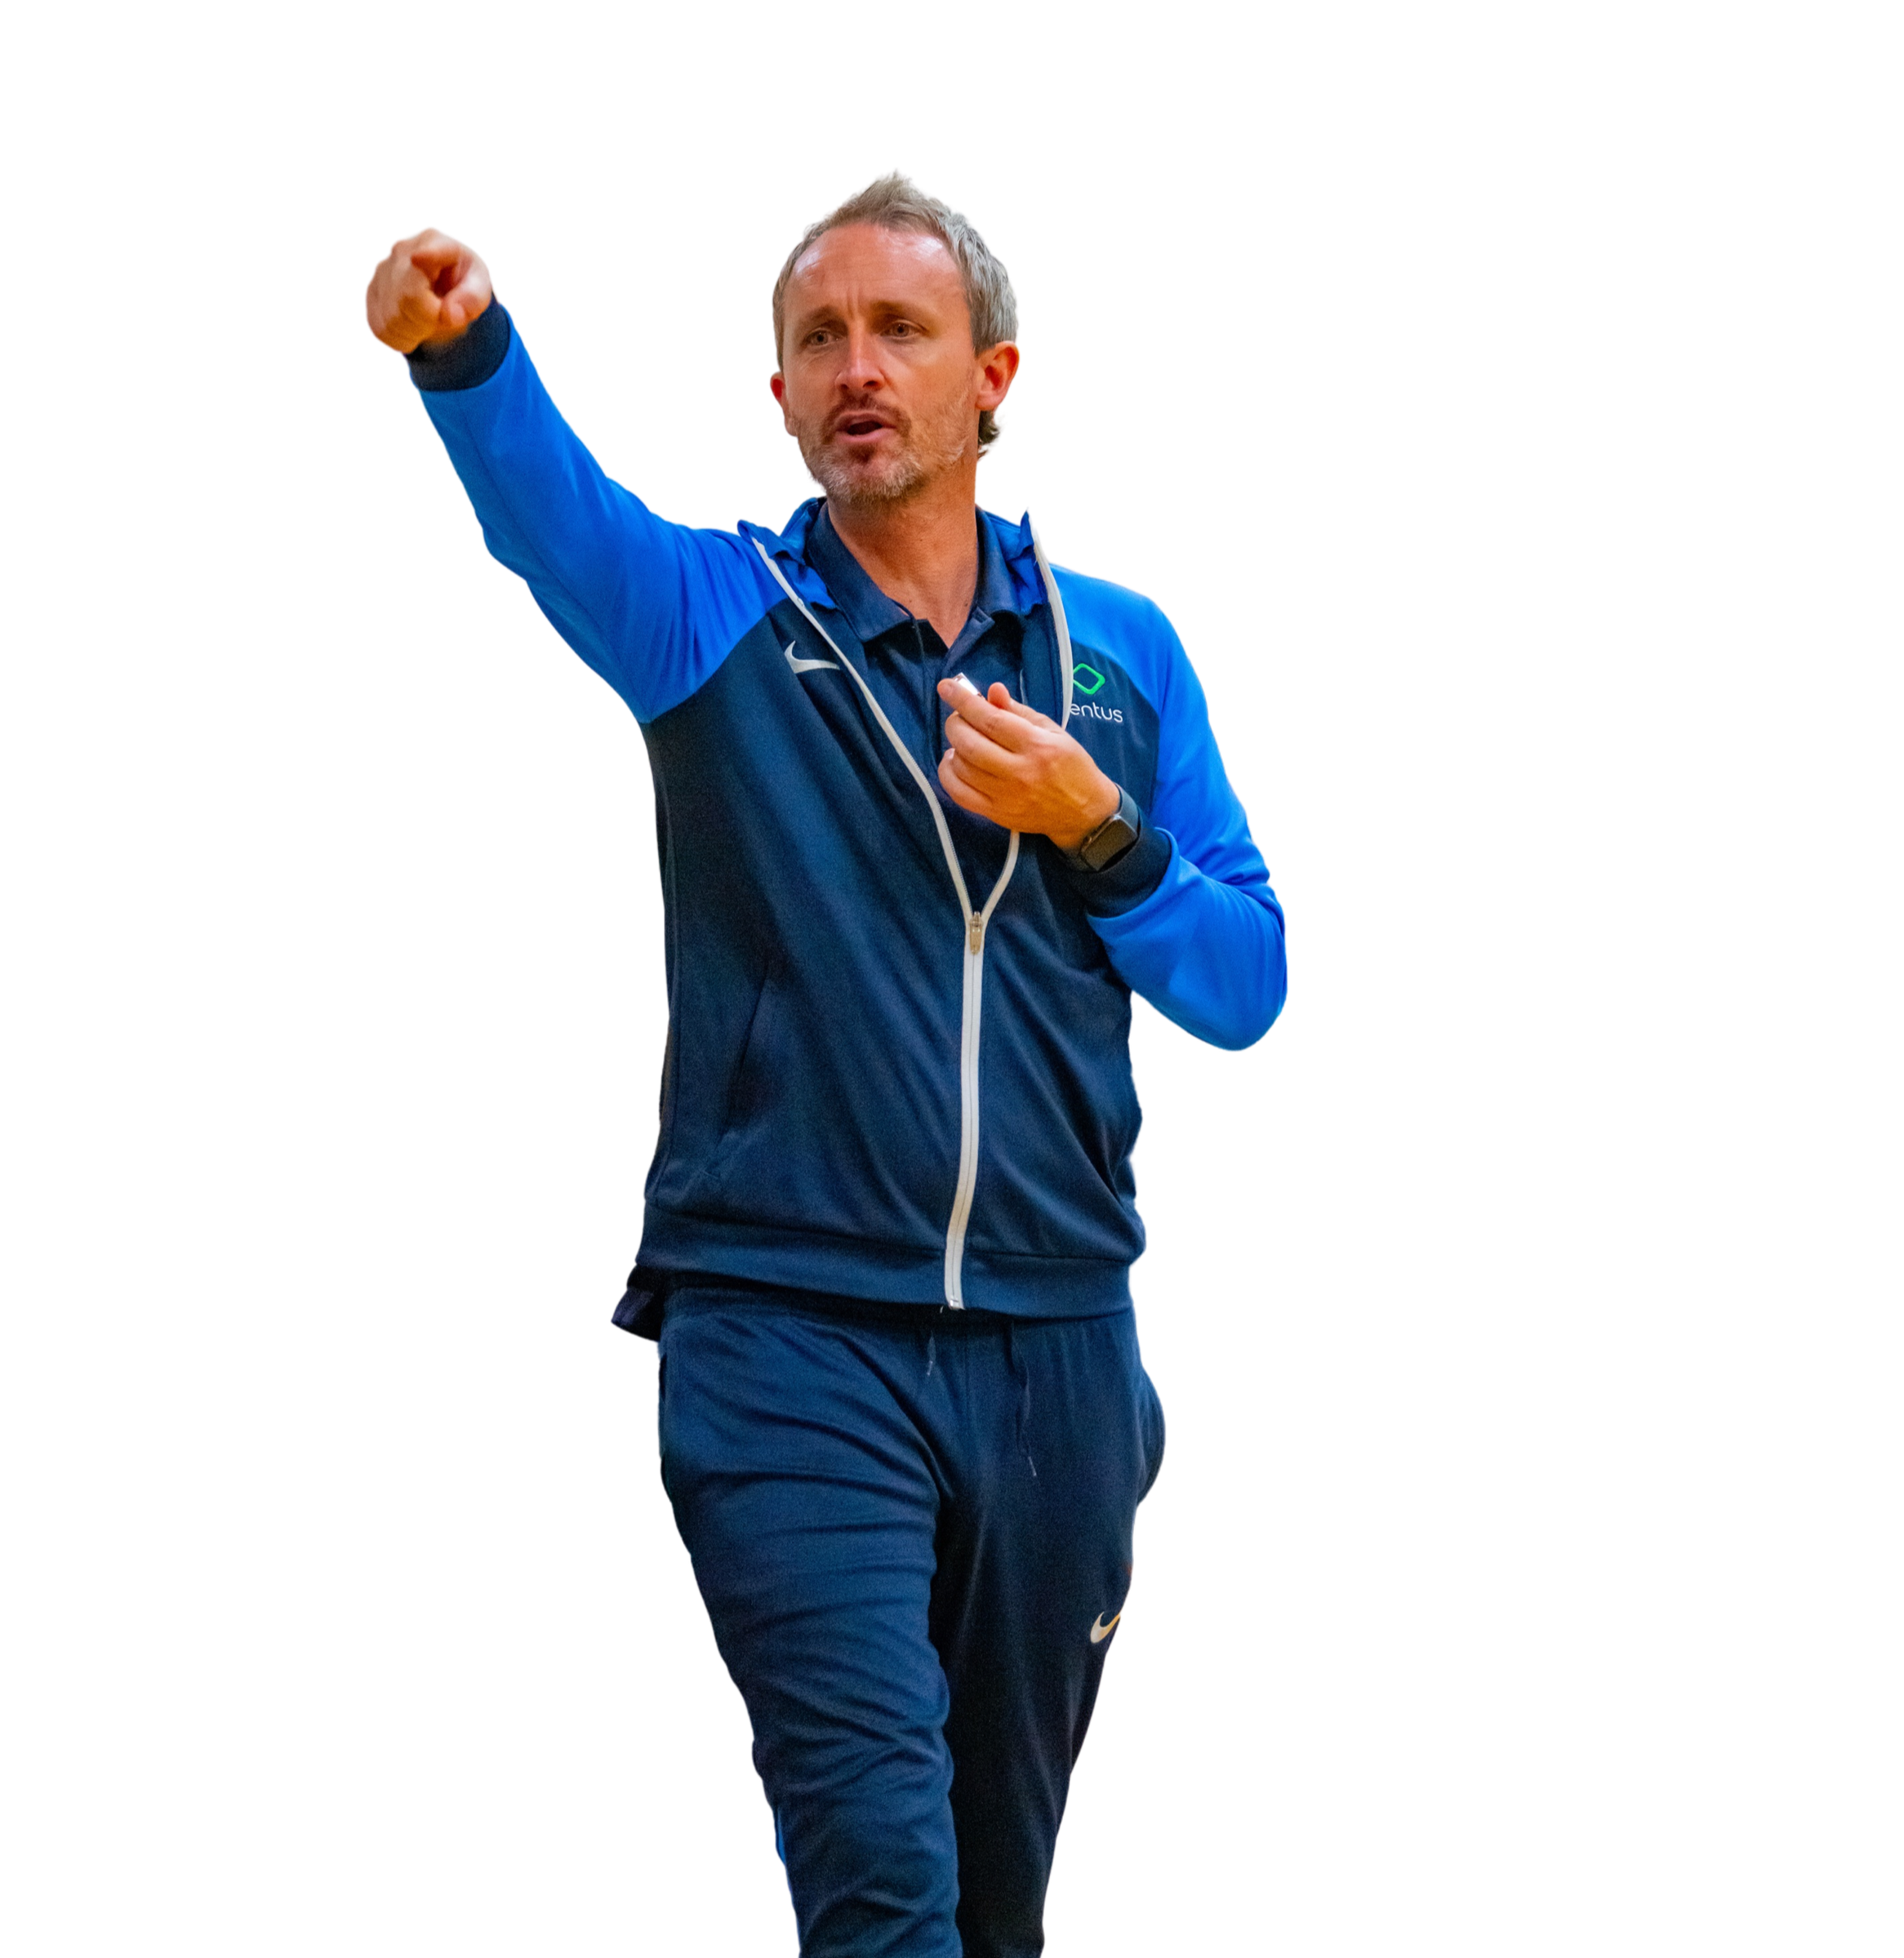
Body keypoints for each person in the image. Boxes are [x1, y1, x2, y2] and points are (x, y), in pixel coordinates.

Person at [366, 168, 1285, 1957]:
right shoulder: (706, 620)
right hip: (786, 1333)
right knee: (882, 1889)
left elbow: (1245, 989)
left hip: (1063, 1352)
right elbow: (551, 511)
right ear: (779, 411)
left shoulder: (1122, 650)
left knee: (999, 1908)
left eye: (897, 330)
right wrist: (468, 344)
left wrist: (1098, 830)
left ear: (993, 376)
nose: (855, 367)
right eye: (816, 340)